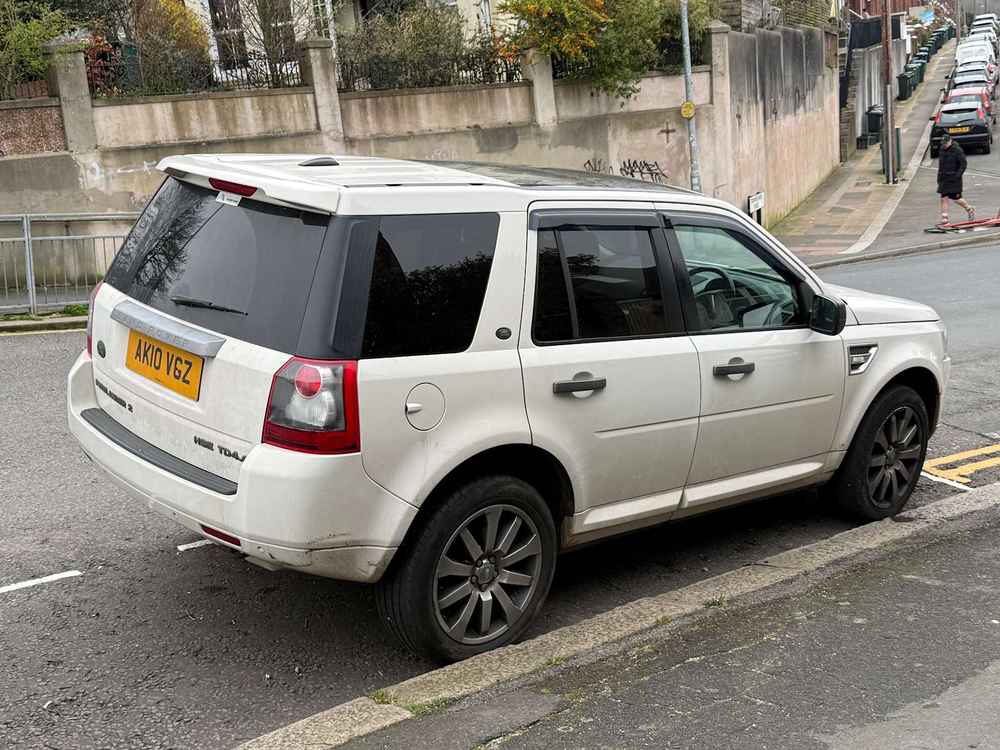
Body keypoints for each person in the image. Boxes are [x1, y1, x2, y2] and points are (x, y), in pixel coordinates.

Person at [937, 133, 975, 225]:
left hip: (954, 179)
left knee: (956, 198)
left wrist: (957, 175)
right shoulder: (942, 149)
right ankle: (945, 217)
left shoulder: (957, 150)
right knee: (943, 197)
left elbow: (963, 164)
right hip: (944, 178)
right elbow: (941, 164)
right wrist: (939, 176)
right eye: (943, 143)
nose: (944, 145)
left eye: (946, 143)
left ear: (950, 141)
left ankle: (969, 209)